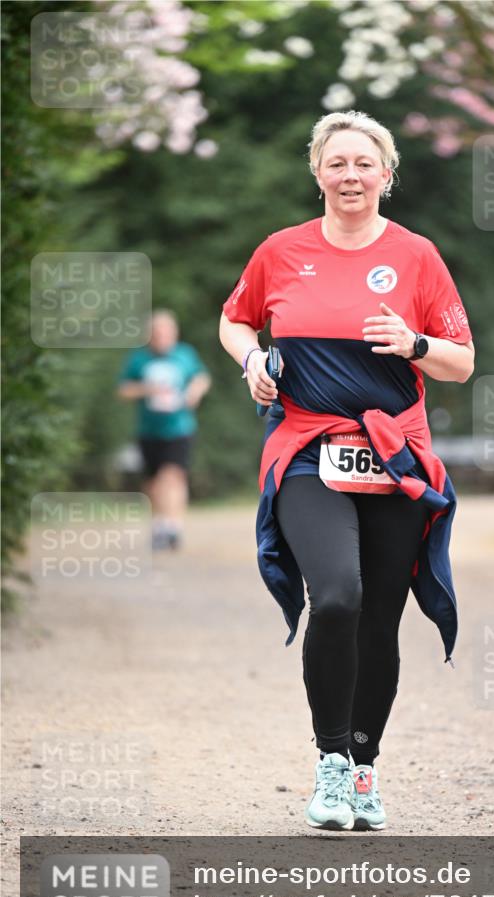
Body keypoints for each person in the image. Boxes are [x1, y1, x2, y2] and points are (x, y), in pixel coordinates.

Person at [219, 111, 474, 832]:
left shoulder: (418, 256)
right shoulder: (280, 250)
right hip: (306, 448)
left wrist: (413, 341)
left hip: (393, 455)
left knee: (380, 623)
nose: (351, 175)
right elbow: (235, 319)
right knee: (335, 597)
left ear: (386, 175)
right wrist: (250, 362)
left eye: (365, 163)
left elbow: (460, 361)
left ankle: (365, 770)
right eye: (338, 164)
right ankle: (329, 763)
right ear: (318, 174)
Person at [117, 310, 211, 550]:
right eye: (157, 332)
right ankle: (159, 525)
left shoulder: (185, 355)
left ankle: (173, 527)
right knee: (152, 482)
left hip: (179, 427)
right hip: (148, 430)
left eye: (166, 332)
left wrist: (194, 392)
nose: (162, 337)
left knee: (173, 475)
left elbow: (202, 378)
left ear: (174, 333)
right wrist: (147, 389)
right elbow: (123, 390)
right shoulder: (139, 360)